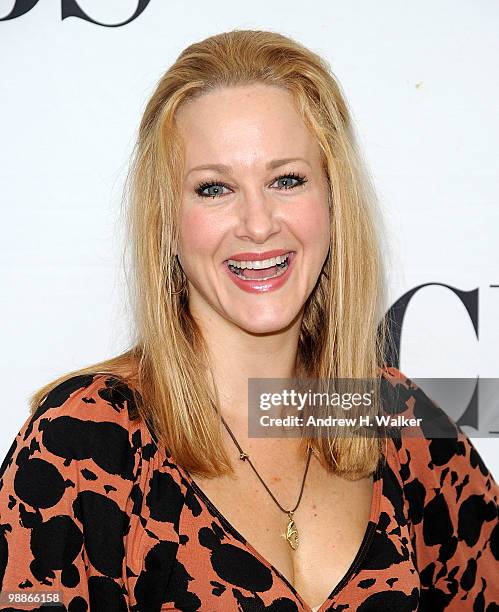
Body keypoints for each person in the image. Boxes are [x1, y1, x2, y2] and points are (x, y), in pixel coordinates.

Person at [0, 29, 497, 612]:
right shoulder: (83, 440)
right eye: (214, 189)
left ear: (334, 202)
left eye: (287, 180)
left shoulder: (397, 416)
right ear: (169, 224)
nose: (258, 223)